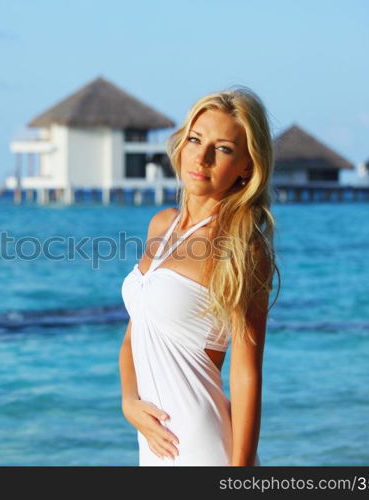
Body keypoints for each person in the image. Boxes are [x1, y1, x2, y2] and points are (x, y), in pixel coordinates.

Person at [119, 86, 280, 466]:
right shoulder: (160, 225)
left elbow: (246, 374)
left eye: (222, 148)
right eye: (195, 139)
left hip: (201, 445)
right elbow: (132, 337)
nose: (202, 156)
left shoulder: (242, 248)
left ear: (247, 167)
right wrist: (129, 402)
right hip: (154, 442)